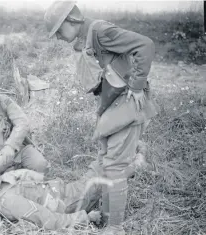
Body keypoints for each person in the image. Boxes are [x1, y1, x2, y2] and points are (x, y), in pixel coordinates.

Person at [44, 2, 159, 234]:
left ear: (71, 20)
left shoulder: (100, 31)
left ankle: (115, 227)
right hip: (112, 106)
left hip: (126, 104)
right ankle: (108, 217)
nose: (57, 37)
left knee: (115, 166)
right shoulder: (85, 39)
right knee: (108, 161)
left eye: (58, 30)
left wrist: (137, 86)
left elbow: (145, 45)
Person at [0, 145, 148, 231]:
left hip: (62, 192)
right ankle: (135, 165)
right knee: (102, 176)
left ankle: (127, 151)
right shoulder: (8, 201)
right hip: (69, 203)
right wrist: (86, 217)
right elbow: (48, 219)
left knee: (99, 165)